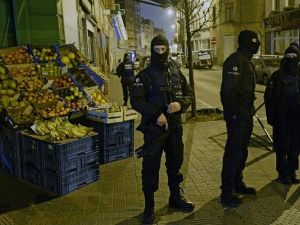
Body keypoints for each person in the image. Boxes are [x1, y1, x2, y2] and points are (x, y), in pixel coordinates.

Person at [130, 35, 194, 224]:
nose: (160, 53)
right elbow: (136, 100)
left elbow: (189, 93)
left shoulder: (176, 71)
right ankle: (149, 206)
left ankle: (175, 197)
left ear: (168, 49)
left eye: (163, 49)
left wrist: (181, 104)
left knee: (175, 164)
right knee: (150, 167)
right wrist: (156, 113)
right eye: (156, 50)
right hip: (154, 130)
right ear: (152, 50)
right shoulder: (144, 75)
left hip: (175, 128)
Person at [220, 30, 261, 208]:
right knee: (233, 153)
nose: (257, 44)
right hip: (237, 117)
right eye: (254, 41)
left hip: (245, 115)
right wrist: (234, 114)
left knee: (242, 151)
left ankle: (238, 183)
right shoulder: (235, 61)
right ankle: (227, 192)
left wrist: (249, 111)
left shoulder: (247, 61)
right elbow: (228, 92)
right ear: (245, 42)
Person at [264, 45, 300, 185]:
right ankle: (283, 174)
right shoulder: (277, 76)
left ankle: (292, 172)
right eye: (289, 56)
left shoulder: (298, 74)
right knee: (281, 148)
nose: (291, 59)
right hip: (282, 119)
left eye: (294, 56)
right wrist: (272, 119)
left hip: (296, 120)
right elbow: (269, 98)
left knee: (295, 148)